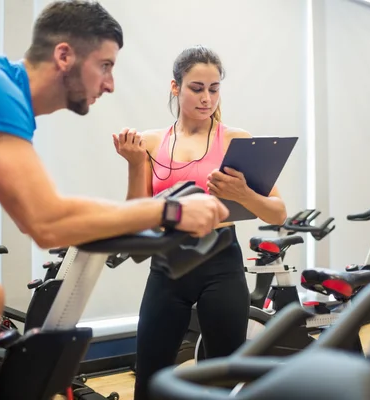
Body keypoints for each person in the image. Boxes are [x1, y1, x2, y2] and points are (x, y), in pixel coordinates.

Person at [0, 2, 229, 400]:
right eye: (105, 65)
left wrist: (145, 214)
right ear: (64, 55)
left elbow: (50, 208)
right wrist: (170, 209)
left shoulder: (7, 106)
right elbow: (46, 221)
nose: (110, 84)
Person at [112, 45, 288, 399]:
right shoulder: (150, 141)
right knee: (150, 377)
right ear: (175, 87)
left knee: (223, 377)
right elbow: (137, 216)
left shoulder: (235, 139)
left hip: (221, 262)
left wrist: (244, 195)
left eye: (214, 88)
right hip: (169, 263)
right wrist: (134, 164)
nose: (206, 98)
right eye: (196, 88)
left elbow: (278, 212)